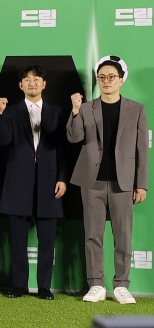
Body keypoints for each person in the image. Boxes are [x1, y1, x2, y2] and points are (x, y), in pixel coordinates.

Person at [67, 58, 148, 304]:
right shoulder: (87, 107)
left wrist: (141, 183)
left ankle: (122, 285)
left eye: (111, 76)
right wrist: (74, 110)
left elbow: (141, 149)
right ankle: (97, 285)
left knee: (123, 235)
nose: (106, 81)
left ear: (121, 79)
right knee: (93, 235)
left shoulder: (136, 109)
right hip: (92, 181)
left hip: (123, 182)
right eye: (102, 77)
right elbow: (74, 137)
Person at [0, 66, 67, 300]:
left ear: (44, 84)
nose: (32, 83)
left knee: (47, 239)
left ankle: (44, 286)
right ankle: (20, 285)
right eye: (27, 80)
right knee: (17, 239)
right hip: (18, 180)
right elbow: (3, 140)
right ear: (20, 86)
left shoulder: (57, 112)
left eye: (36, 79)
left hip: (49, 181)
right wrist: (0, 115)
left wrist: (62, 178)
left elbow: (63, 150)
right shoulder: (11, 110)